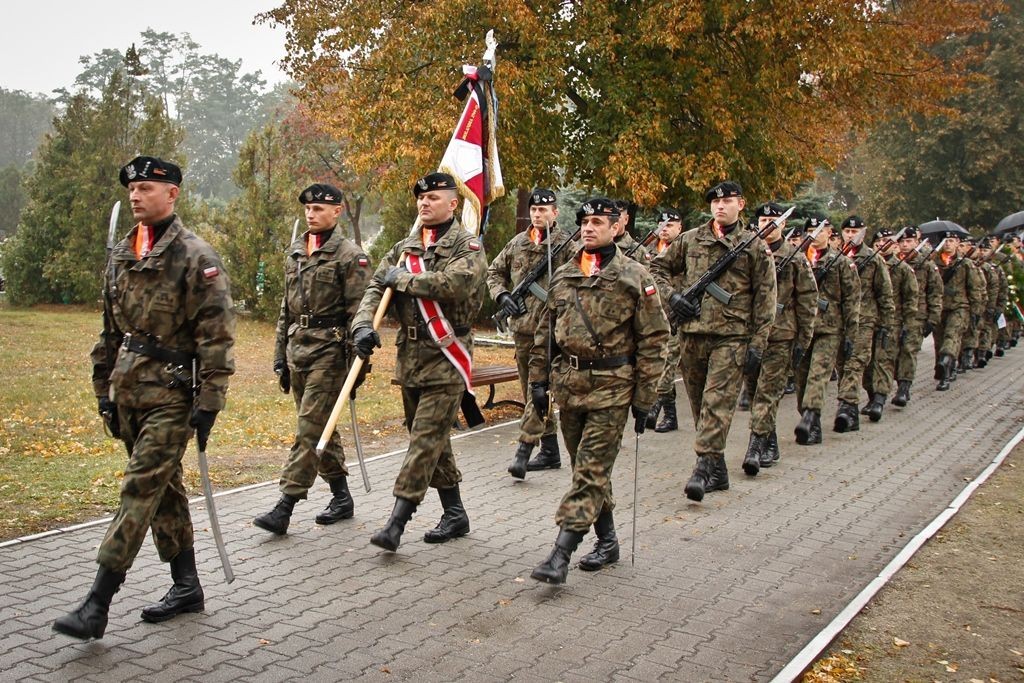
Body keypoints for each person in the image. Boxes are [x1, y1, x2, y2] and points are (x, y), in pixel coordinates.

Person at [53, 156, 235, 640]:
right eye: (132, 188)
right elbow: (110, 333)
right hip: (129, 391)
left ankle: (97, 604)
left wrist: (210, 401)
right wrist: (104, 392)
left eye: (147, 187)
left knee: (138, 490)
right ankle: (187, 585)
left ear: (172, 194)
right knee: (163, 490)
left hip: (173, 397)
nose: (136, 195)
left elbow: (217, 336)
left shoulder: (197, 256)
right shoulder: (122, 254)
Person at [529, 198, 668, 584]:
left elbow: (655, 340)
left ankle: (560, 553)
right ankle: (608, 542)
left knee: (590, 472)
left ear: (616, 227)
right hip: (569, 386)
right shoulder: (564, 274)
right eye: (584, 222)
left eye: (597, 222)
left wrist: (646, 398)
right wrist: (538, 381)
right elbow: (545, 334)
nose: (588, 228)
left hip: (613, 388)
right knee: (587, 470)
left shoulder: (634, 276)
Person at [351, 172, 487, 552]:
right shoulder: (404, 248)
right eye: (421, 199)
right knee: (429, 438)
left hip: (446, 355)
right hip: (410, 358)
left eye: (433, 198)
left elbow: (454, 285)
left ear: (453, 203)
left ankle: (396, 523)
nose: (424, 203)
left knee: (424, 441)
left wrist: (403, 280)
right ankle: (455, 513)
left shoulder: (468, 246)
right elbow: (376, 286)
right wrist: (363, 324)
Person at [253, 184, 373, 535]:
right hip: (298, 352)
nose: (311, 214)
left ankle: (285, 506)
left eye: (319, 208)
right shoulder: (295, 251)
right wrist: (279, 355)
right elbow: (285, 309)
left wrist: (358, 368)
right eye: (308, 208)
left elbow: (360, 314)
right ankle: (342, 497)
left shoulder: (350, 256)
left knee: (308, 431)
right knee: (321, 429)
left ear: (337, 211)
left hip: (330, 355)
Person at [650, 181, 777, 501]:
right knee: (699, 406)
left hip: (732, 337)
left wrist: (758, 344)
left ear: (741, 204)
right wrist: (673, 297)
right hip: (692, 334)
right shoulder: (690, 240)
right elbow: (656, 269)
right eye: (715, 202)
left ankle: (703, 467)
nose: (720, 206)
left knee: (716, 404)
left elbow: (766, 299)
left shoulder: (754, 246)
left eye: (727, 201)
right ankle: (718, 470)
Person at [487, 189, 573, 479]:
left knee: (539, 387)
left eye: (544, 210)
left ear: (555, 213)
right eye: (534, 210)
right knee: (531, 391)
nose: (538, 214)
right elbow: (494, 272)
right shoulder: (518, 243)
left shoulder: (567, 245)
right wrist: (502, 296)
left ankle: (524, 449)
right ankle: (550, 450)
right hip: (522, 330)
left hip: (550, 331)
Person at [743, 203, 816, 473]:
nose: (768, 225)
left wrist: (803, 340)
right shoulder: (748, 253)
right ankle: (770, 441)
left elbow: (808, 300)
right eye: (763, 220)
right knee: (754, 393)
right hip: (751, 336)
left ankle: (755, 446)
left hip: (781, 335)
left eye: (773, 220)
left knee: (768, 392)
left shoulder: (795, 257)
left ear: (783, 224)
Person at [794, 218, 860, 445]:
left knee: (818, 374)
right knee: (801, 377)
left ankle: (810, 416)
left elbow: (852, 300)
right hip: (803, 328)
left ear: (830, 233)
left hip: (830, 328)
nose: (816, 234)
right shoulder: (799, 260)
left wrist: (851, 333)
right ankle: (811, 421)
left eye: (821, 230)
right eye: (811, 230)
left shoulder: (841, 262)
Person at [835, 216, 893, 429]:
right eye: (847, 232)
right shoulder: (834, 257)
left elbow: (885, 294)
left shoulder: (874, 259)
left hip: (864, 320)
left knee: (855, 362)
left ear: (864, 232)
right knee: (842, 363)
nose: (851, 235)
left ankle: (846, 406)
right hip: (840, 320)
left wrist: (886, 324)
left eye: (855, 231)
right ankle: (852, 407)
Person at [645, 208, 685, 432]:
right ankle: (671, 416)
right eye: (661, 225)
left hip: (677, 318)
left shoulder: (687, 251)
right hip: (653, 319)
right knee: (660, 365)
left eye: (670, 225)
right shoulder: (649, 251)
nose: (664, 229)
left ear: (680, 227)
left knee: (667, 364)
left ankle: (656, 406)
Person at [892, 227, 942, 405]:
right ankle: (899, 381)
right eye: (902, 242)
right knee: (893, 352)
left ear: (916, 242)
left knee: (909, 350)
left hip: (916, 316)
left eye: (909, 241)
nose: (905, 245)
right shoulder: (892, 263)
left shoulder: (926, 265)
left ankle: (904, 388)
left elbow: (935, 293)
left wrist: (933, 318)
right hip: (894, 315)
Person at [870, 229, 917, 408]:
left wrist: (909, 324)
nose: (882, 244)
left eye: (886, 241)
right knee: (868, 363)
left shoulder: (903, 269)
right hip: (868, 320)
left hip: (893, 322)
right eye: (878, 241)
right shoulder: (869, 265)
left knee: (885, 359)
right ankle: (872, 394)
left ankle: (880, 399)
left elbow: (911, 298)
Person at [931, 232, 970, 390]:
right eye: (945, 241)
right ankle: (946, 366)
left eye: (951, 240)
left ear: (957, 243)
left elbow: (975, 288)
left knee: (952, 336)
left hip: (958, 307)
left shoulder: (965, 263)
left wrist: (976, 311)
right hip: (939, 307)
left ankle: (946, 370)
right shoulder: (933, 262)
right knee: (939, 341)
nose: (947, 243)